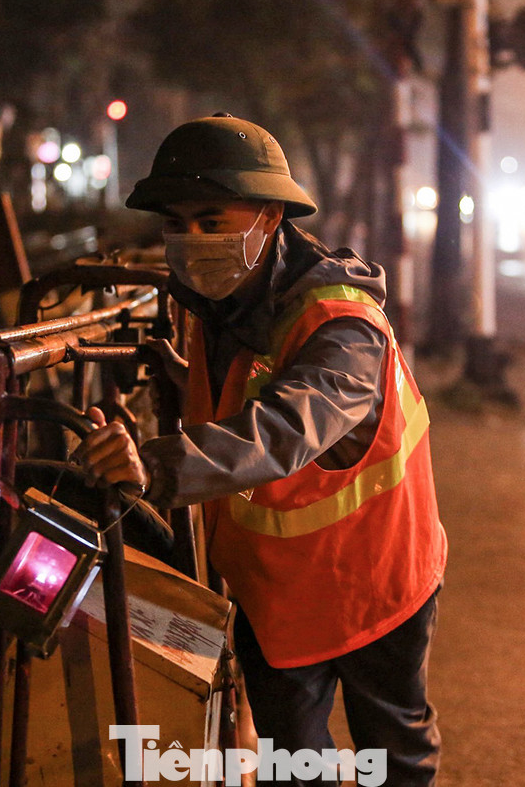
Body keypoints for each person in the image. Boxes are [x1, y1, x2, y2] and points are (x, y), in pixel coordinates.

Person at [75, 113, 447, 785]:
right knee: (291, 766)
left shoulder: (343, 324)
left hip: (374, 583)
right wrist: (180, 377)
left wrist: (157, 464)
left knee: (391, 757)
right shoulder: (216, 304)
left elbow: (287, 423)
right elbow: (244, 393)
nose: (191, 241)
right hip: (275, 594)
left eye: (212, 220)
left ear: (270, 217)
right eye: (176, 223)